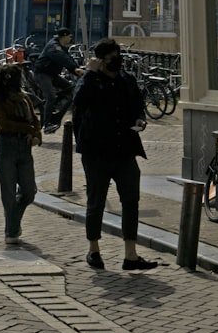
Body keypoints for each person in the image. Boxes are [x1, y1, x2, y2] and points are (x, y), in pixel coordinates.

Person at [71, 37, 158, 271]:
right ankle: (94, 251)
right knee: (95, 201)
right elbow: (77, 102)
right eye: (110, 59)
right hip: (97, 152)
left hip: (124, 150)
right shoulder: (90, 81)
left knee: (131, 200)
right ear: (100, 61)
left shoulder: (126, 80)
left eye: (118, 57)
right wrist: (89, 73)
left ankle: (131, 255)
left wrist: (140, 118)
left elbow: (138, 104)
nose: (116, 62)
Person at [0, 64, 42, 245]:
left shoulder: (24, 97)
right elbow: (4, 123)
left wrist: (36, 134)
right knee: (8, 192)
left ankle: (13, 224)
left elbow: (34, 119)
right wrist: (27, 128)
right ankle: (11, 231)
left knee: (29, 191)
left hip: (25, 148)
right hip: (7, 146)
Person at [33, 27, 82, 134]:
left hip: (52, 74)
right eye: (69, 36)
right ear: (64, 36)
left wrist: (77, 69)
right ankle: (47, 125)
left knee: (70, 89)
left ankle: (55, 116)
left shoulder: (61, 46)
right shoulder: (53, 46)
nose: (70, 39)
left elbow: (67, 58)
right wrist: (74, 68)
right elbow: (61, 58)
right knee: (51, 96)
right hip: (42, 74)